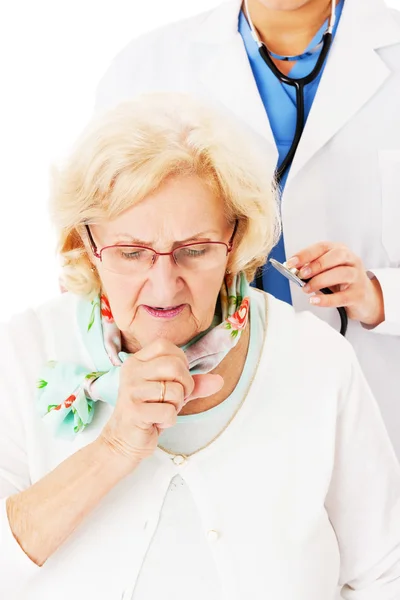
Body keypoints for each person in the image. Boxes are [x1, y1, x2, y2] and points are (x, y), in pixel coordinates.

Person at [0, 93, 399, 600]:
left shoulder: (316, 359)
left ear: (237, 239)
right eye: (130, 252)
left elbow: (384, 574)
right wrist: (116, 446)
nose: (164, 287)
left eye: (194, 250)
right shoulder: (23, 350)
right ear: (86, 243)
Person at [94, 0, 400, 460]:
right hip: (209, 396)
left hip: (378, 387)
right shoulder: (147, 68)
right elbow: (97, 246)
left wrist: (379, 295)